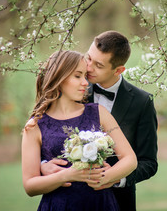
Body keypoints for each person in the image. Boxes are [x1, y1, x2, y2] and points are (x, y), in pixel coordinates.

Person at [41, 31, 158, 211]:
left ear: (118, 70)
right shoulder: (73, 88)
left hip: (119, 200)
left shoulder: (142, 103)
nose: (88, 68)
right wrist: (43, 165)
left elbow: (149, 162)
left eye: (98, 65)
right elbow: (48, 131)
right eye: (89, 58)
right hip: (68, 199)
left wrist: (115, 178)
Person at [21, 50, 137, 211]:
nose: (85, 83)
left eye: (85, 76)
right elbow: (29, 186)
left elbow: (130, 158)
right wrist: (67, 175)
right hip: (59, 206)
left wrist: (105, 177)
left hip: (101, 205)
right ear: (59, 77)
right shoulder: (34, 126)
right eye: (78, 76)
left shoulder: (99, 112)